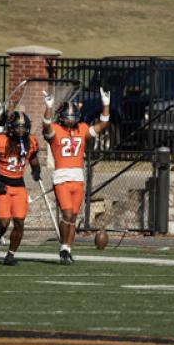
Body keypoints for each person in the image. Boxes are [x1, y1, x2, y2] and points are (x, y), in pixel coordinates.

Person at [42, 87, 110, 265]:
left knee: (73, 217)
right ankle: (63, 246)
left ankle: (67, 249)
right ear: (62, 117)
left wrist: (106, 105)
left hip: (78, 179)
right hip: (62, 178)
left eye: (73, 118)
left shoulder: (82, 129)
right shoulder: (55, 129)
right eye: (68, 117)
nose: (71, 121)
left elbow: (103, 125)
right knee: (67, 213)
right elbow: (46, 125)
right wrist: (48, 107)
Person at [0, 110, 40, 266]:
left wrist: (36, 171)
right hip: (3, 186)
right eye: (18, 127)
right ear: (10, 127)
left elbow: (34, 160)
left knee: (20, 222)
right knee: (3, 222)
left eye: (24, 127)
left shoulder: (31, 142)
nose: (21, 131)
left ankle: (10, 255)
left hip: (19, 187)